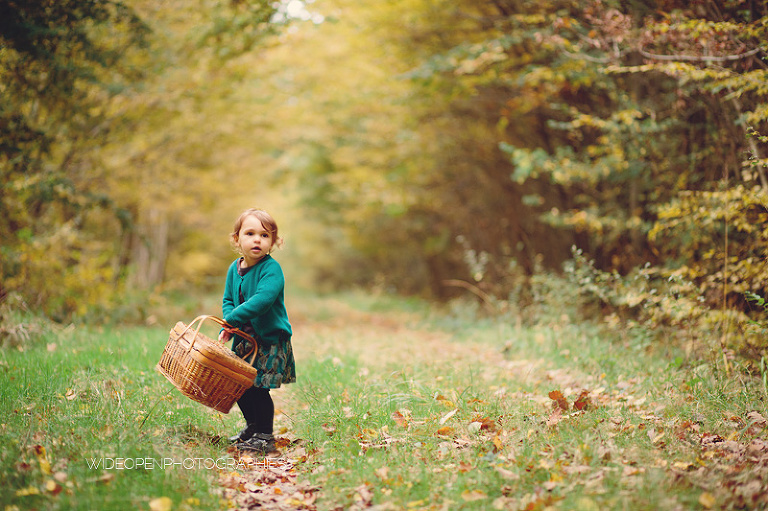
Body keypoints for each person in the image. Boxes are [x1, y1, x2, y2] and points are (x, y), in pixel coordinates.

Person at [218, 208, 295, 454]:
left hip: (268, 340)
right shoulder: (235, 268)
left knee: (259, 388)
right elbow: (229, 299)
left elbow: (262, 300)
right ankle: (252, 427)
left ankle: (265, 436)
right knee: (240, 385)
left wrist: (232, 319)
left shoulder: (271, 270)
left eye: (264, 235)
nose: (257, 240)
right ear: (237, 239)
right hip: (245, 339)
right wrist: (231, 323)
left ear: (273, 242)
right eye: (250, 233)